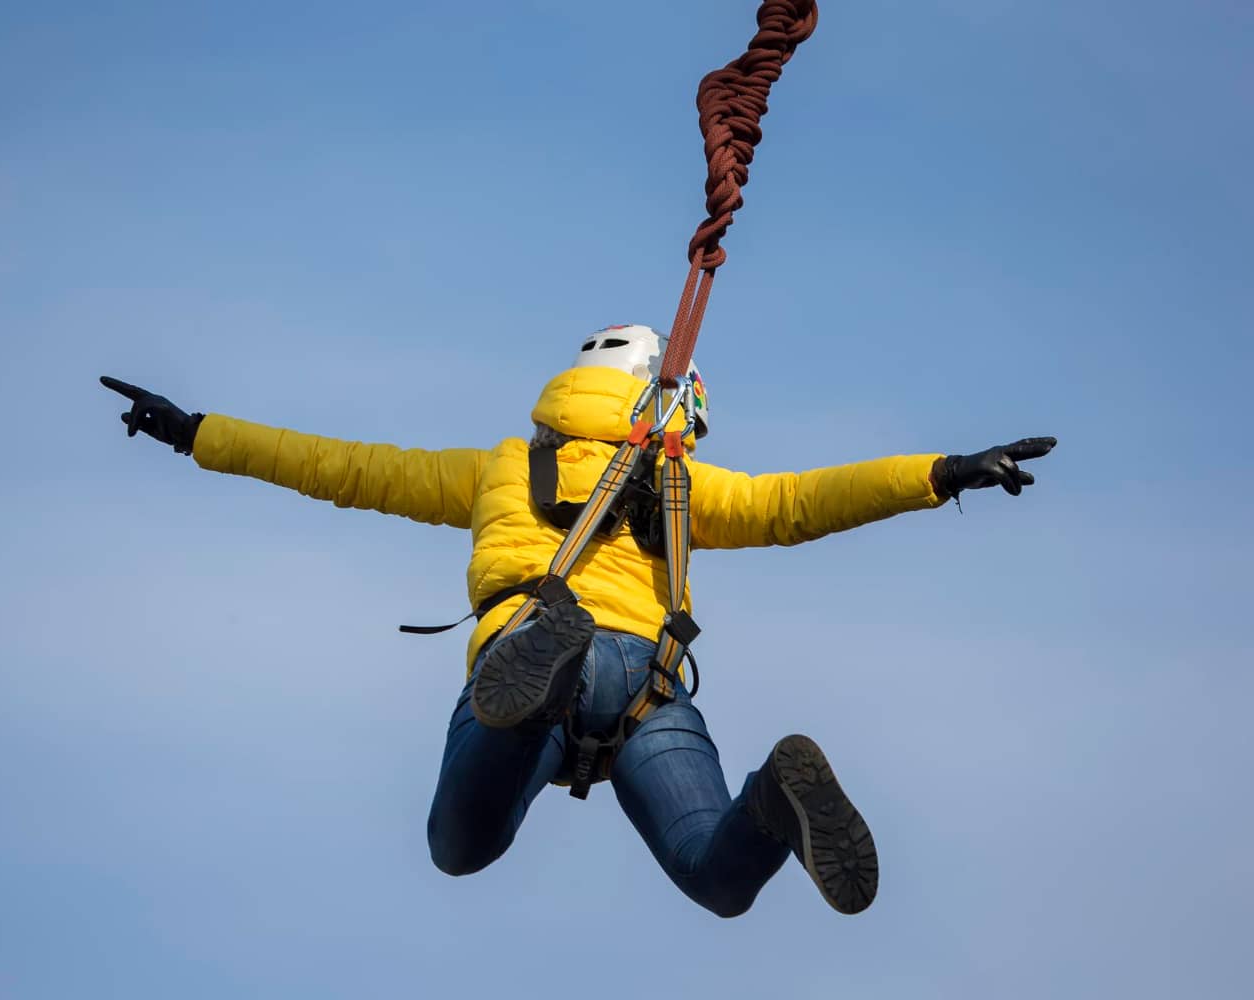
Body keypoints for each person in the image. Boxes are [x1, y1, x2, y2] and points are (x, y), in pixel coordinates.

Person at [99, 324, 1055, 918]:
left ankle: (543, 679)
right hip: (649, 686)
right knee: (717, 880)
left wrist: (196, 433)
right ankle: (771, 797)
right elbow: (798, 501)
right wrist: (938, 473)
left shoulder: (497, 468)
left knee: (459, 847)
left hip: (533, 636)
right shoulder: (680, 480)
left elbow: (339, 466)